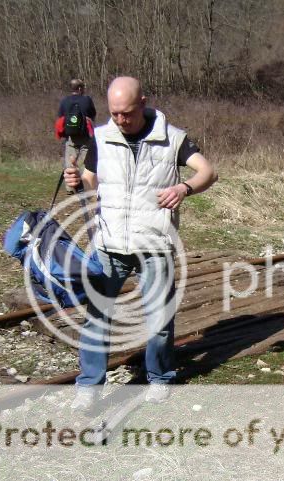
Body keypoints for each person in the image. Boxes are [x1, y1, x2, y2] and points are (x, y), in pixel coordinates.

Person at [64, 76, 217, 408]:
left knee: (159, 318)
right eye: (115, 113)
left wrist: (184, 188)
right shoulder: (101, 139)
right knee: (96, 317)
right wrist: (76, 182)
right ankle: (89, 386)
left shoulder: (173, 139)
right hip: (110, 243)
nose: (121, 120)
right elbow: (90, 183)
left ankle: (160, 377)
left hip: (154, 245)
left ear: (143, 103)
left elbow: (208, 172)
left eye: (127, 113)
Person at [57, 79, 97, 192]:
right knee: (86, 161)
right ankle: (85, 184)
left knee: (70, 160)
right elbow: (93, 114)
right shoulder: (87, 100)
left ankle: (70, 187)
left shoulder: (64, 101)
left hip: (71, 137)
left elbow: (60, 116)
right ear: (80, 89)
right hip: (85, 135)